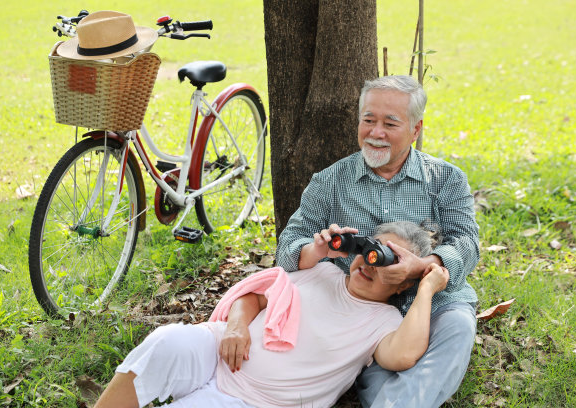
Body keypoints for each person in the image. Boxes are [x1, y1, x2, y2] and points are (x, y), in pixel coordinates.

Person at [275, 75, 479, 407]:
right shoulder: (329, 182)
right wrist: (317, 248)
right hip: (359, 314)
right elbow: (287, 248)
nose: (376, 132)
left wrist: (423, 266)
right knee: (382, 377)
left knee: (457, 326)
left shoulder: (446, 180)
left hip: (433, 304)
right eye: (368, 120)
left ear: (416, 130)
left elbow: (467, 243)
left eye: (390, 123)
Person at [94, 221, 448, 408]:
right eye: (370, 249)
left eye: (387, 260)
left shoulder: (384, 322)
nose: (370, 262)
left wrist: (428, 285)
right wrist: (235, 327)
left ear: (402, 284)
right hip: (218, 355)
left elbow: (402, 355)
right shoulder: (323, 271)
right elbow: (256, 296)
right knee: (167, 341)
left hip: (257, 401)